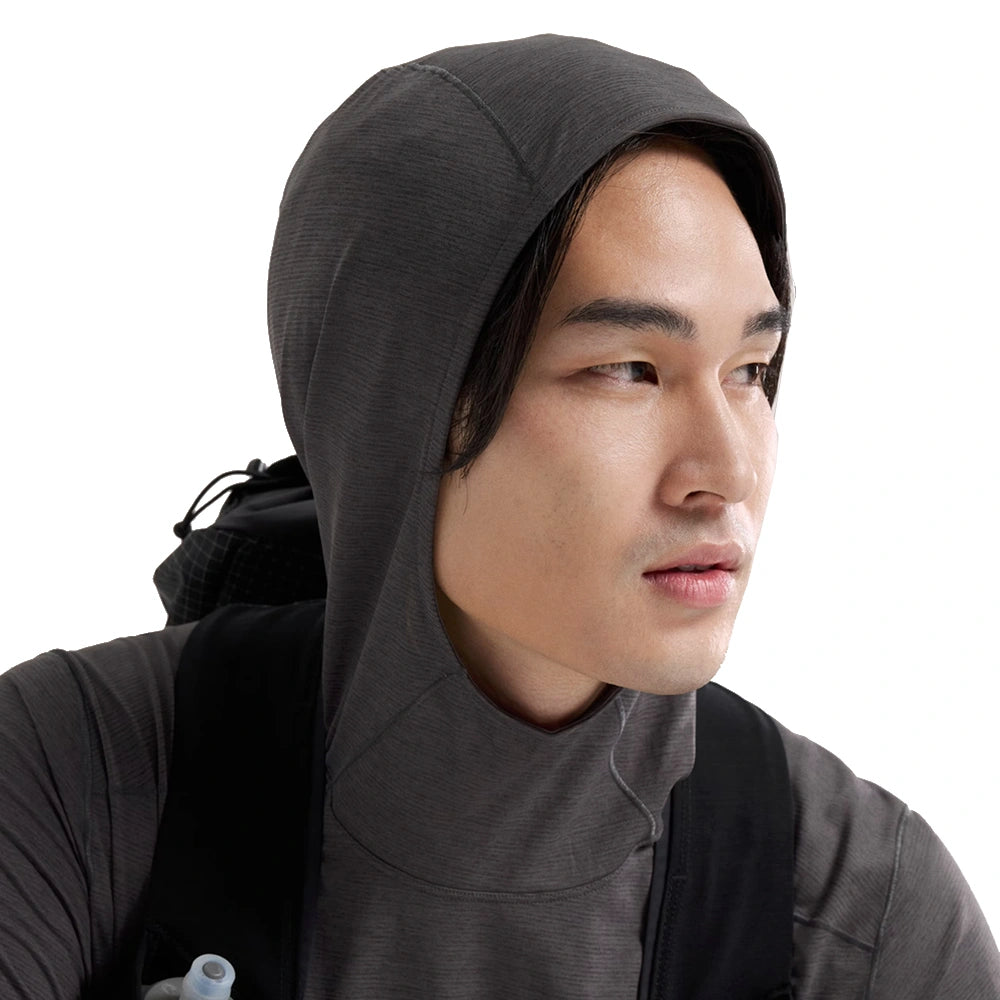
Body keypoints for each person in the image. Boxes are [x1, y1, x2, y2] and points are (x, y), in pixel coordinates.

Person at [1, 33, 997, 1000]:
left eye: (749, 371)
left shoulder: (862, 912)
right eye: (629, 370)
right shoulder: (68, 778)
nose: (728, 469)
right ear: (393, 402)